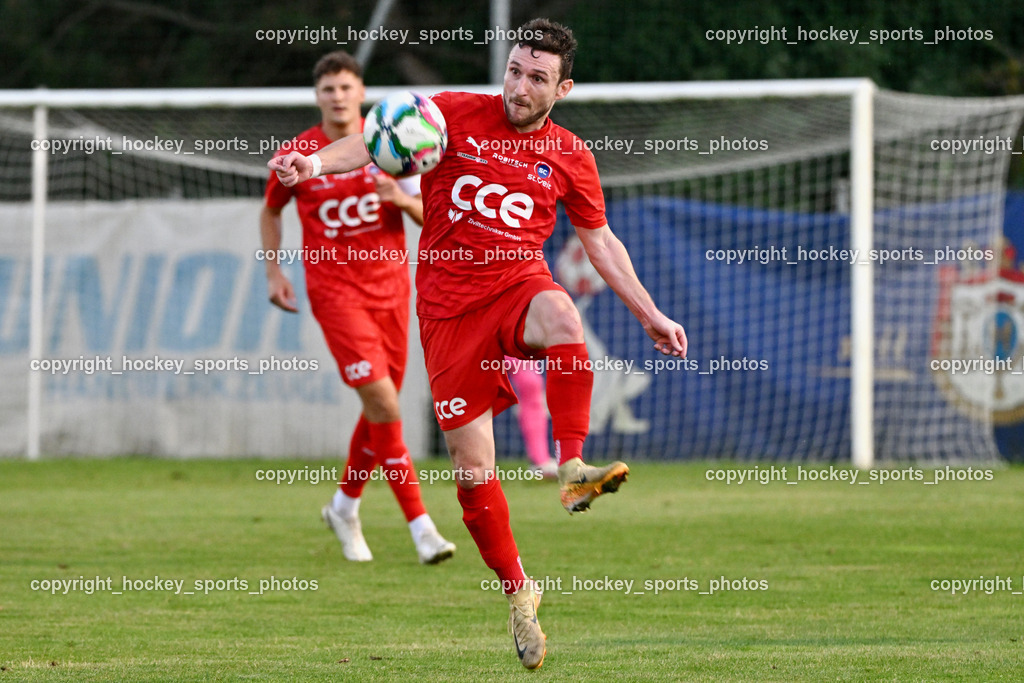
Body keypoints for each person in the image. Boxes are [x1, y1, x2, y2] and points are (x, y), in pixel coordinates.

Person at [268, 21, 687, 669]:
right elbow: (372, 143)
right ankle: (520, 593)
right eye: (515, 70)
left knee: (562, 316)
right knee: (472, 472)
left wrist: (650, 312)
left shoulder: (570, 154)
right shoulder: (456, 111)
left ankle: (572, 467)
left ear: (563, 88)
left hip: (517, 283)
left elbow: (601, 242)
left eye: (537, 77)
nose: (519, 86)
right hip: (446, 312)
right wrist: (314, 162)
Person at [260, 51, 456, 566]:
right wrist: (274, 271)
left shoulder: (392, 143)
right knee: (386, 405)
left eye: (346, 88)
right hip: (335, 293)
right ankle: (422, 528)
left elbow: (425, 216)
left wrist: (400, 198)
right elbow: (271, 210)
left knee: (378, 408)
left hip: (391, 289)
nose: (338, 97)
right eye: (328, 90)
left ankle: (344, 507)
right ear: (317, 96)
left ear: (361, 91)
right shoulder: (300, 152)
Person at [505, 356, 558, 478]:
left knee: (531, 384)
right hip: (476, 343)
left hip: (511, 343)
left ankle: (540, 462)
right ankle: (468, 461)